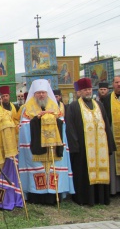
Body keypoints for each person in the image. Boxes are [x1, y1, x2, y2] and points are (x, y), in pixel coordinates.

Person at [18, 79, 75, 204]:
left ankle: (55, 196)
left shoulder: (55, 107)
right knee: (38, 169)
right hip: (35, 147)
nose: (41, 95)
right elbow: (24, 127)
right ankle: (36, 197)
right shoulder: (27, 108)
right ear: (34, 94)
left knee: (53, 168)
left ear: (47, 93)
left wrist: (52, 118)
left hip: (53, 147)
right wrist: (37, 119)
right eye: (38, 93)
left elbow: (62, 124)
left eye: (43, 92)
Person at [66, 78, 115, 206]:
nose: (87, 92)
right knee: (83, 174)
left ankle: (101, 198)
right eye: (84, 90)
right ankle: (85, 199)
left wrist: (110, 144)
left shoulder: (99, 105)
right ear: (79, 92)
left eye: (89, 89)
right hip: (83, 149)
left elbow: (106, 125)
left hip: (100, 148)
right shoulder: (73, 107)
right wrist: (74, 146)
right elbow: (70, 128)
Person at [102, 75, 120, 194]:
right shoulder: (107, 99)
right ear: (112, 84)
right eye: (117, 82)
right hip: (114, 135)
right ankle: (116, 189)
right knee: (114, 164)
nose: (119, 84)